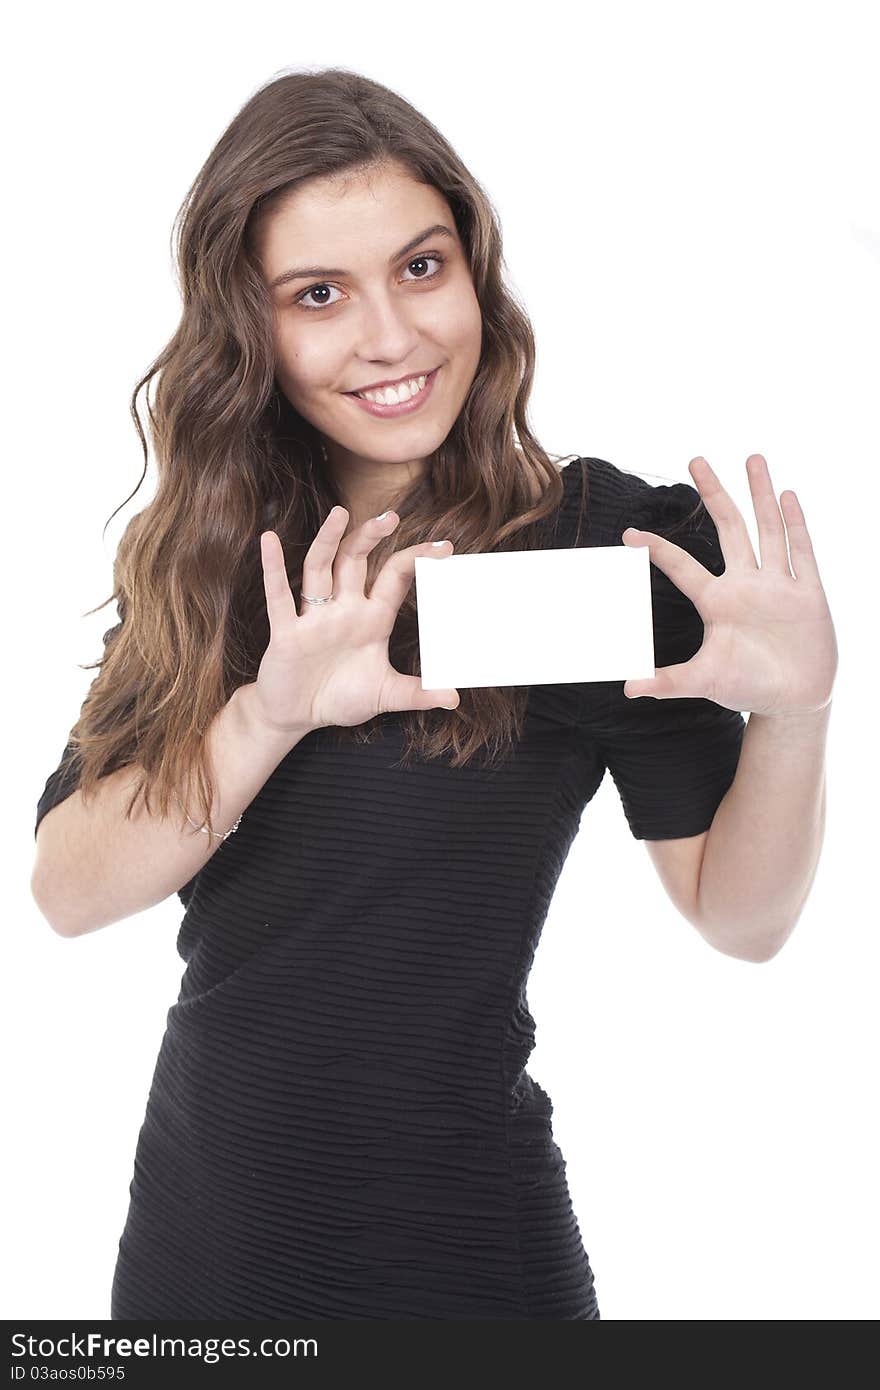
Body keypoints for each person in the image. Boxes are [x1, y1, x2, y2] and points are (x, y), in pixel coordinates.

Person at [31, 68, 833, 1321]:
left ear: (477, 274)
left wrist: (797, 710)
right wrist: (271, 710)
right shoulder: (210, 553)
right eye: (317, 295)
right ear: (250, 327)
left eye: (420, 268)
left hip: (469, 1254)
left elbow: (740, 918)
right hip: (199, 1240)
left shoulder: (604, 545)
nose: (392, 339)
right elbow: (66, 892)